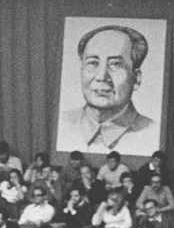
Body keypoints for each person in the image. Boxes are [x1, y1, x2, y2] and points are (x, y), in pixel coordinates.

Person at [59, 24, 160, 154]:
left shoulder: (150, 132)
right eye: (93, 63)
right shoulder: (64, 123)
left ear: (136, 79)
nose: (102, 76)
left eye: (115, 64)